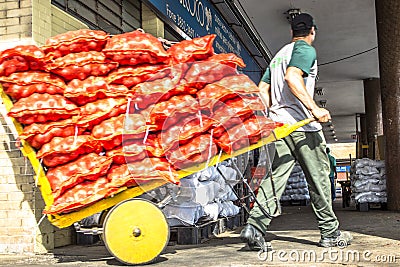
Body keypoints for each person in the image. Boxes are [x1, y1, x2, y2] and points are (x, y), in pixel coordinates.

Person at [240, 13, 352, 251]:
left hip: (280, 127)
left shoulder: (279, 55)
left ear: (291, 32)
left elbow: (262, 89)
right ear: (312, 31)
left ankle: (255, 227)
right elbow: (293, 77)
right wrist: (315, 108)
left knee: (275, 178)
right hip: (303, 126)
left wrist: (270, 116)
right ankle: (330, 232)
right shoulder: (305, 50)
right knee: (320, 178)